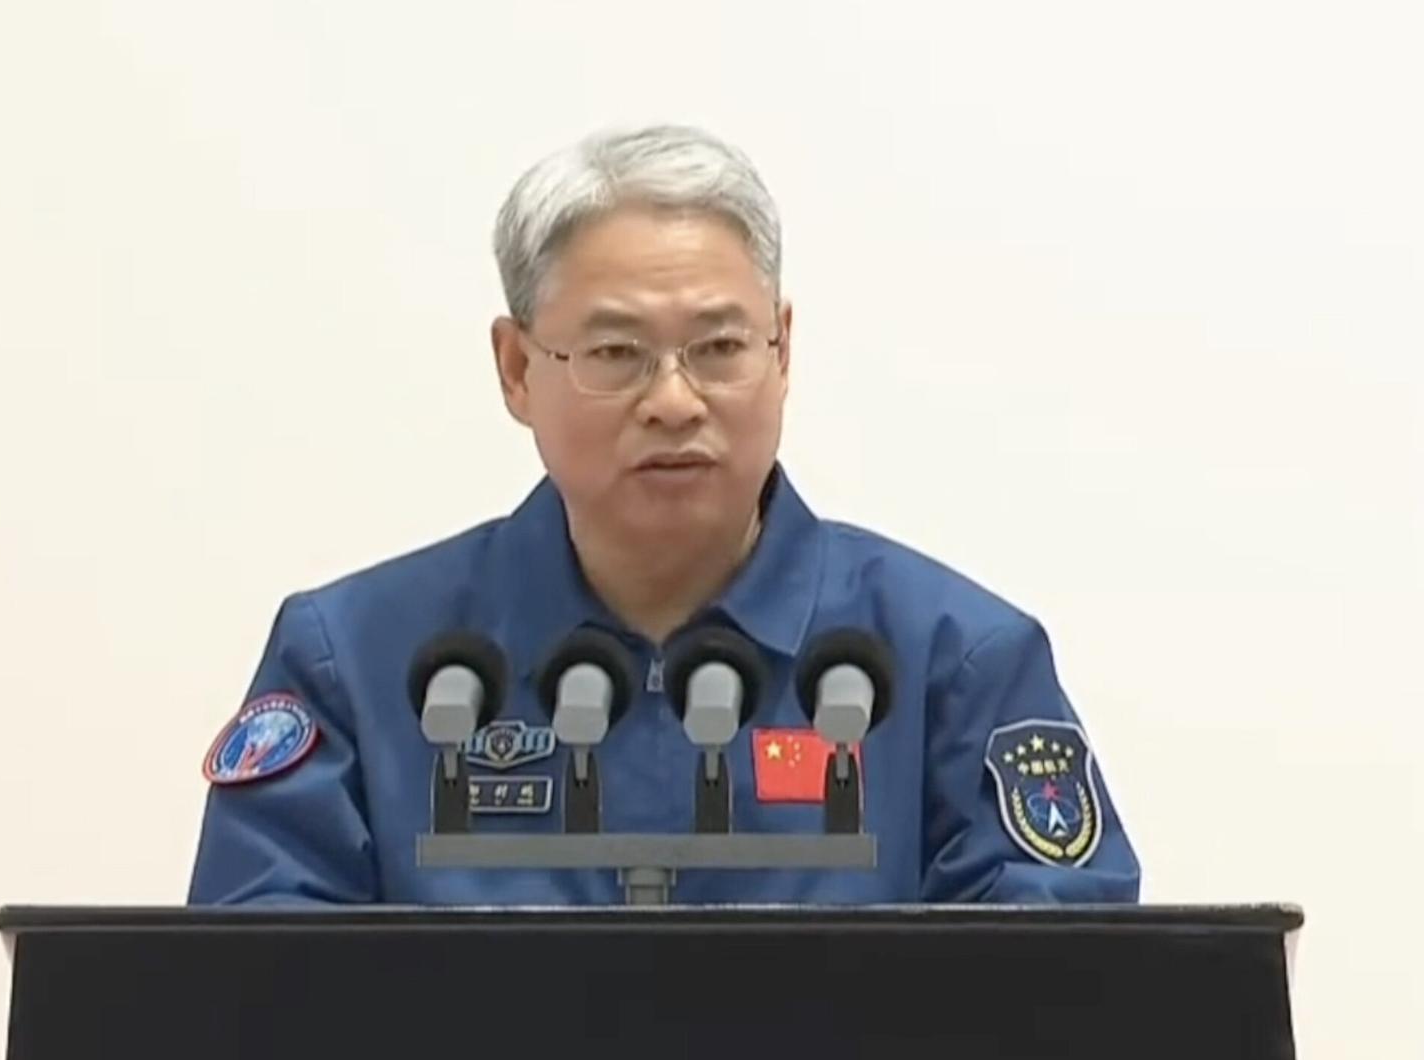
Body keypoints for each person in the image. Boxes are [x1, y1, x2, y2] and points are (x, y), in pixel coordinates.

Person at [186, 125, 1141, 905]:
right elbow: (255, 1004)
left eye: (720, 347)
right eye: (617, 353)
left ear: (783, 350)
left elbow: (1058, 998)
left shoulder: (954, 662)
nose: (675, 401)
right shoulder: (354, 662)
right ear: (516, 369)